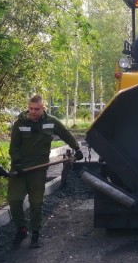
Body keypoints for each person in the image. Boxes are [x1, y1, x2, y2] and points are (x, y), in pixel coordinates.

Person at [8, 95, 83, 247]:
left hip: (38, 170)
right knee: (14, 200)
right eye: (31, 109)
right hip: (20, 169)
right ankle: (21, 229)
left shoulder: (51, 122)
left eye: (37, 109)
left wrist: (76, 148)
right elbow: (13, 147)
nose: (33, 112)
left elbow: (65, 134)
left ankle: (35, 233)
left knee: (36, 203)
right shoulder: (20, 123)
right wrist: (16, 162)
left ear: (43, 109)